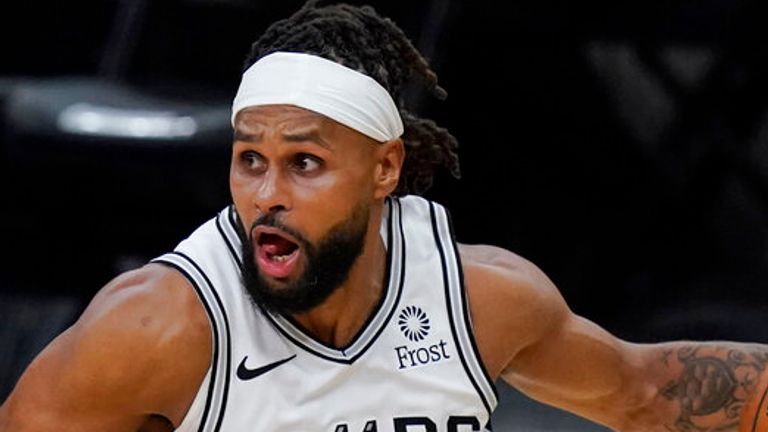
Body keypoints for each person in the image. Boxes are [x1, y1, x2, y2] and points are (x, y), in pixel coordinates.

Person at [1, 1, 766, 431]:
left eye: (304, 163)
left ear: (385, 171)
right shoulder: (155, 328)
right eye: (249, 160)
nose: (267, 193)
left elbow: (647, 391)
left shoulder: (477, 298)